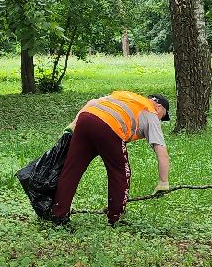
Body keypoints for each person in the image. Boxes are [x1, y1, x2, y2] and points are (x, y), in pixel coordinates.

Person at [51, 91, 170, 226]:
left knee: (71, 169)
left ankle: (59, 215)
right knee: (120, 172)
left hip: (85, 118)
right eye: (163, 116)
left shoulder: (127, 97)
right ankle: (115, 217)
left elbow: (91, 102)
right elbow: (162, 152)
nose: (160, 120)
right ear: (159, 107)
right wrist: (163, 182)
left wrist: (73, 125)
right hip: (108, 126)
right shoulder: (151, 113)